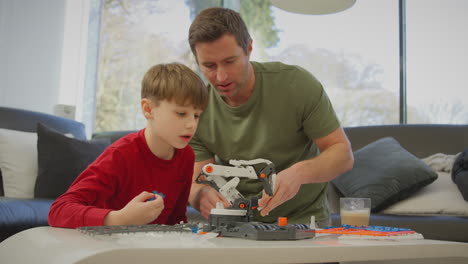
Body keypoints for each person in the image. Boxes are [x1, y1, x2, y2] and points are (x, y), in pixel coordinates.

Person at [187, 7, 354, 226]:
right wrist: (199, 196)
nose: (221, 76)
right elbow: (196, 181)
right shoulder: (197, 109)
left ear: (249, 48)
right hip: (235, 228)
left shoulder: (297, 85)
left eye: (230, 61)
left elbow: (343, 155)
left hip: (304, 224)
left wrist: (299, 173)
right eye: (209, 66)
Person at [48, 63, 209, 228]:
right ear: (148, 109)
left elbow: (176, 221)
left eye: (196, 115)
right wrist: (119, 219)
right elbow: (58, 211)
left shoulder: (186, 156)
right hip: (108, 247)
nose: (191, 124)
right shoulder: (120, 154)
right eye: (181, 113)